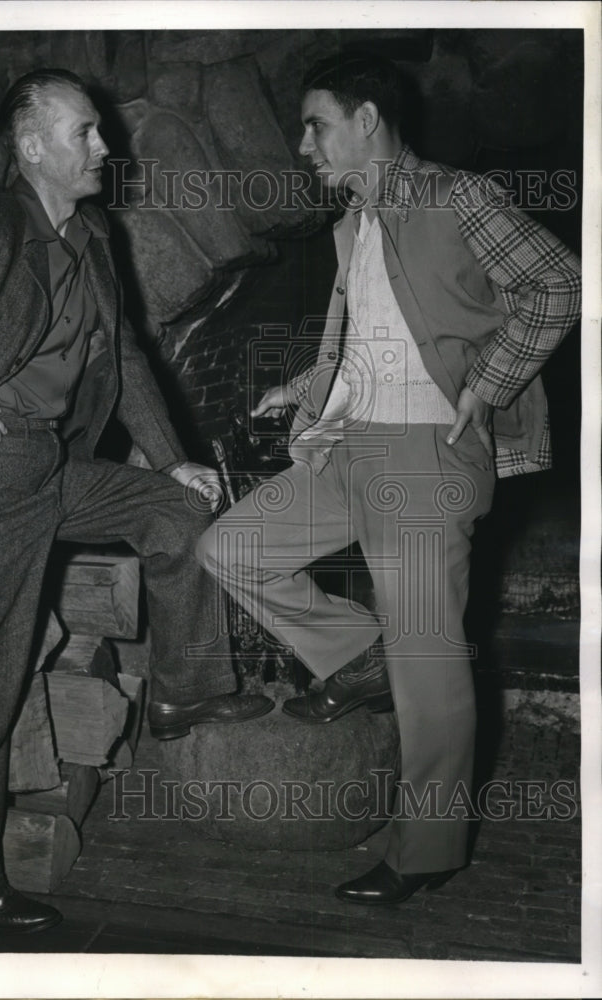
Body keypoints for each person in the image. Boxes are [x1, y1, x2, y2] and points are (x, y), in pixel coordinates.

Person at [0, 68, 273, 933]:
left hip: (48, 464)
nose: (104, 147)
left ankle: (182, 690)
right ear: (32, 144)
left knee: (177, 513)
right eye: (84, 133)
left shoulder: (90, 234)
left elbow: (121, 351)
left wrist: (174, 460)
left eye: (101, 131)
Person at [197, 51, 581, 904]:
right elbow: (377, 335)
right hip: (350, 444)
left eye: (316, 124)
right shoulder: (355, 220)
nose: (304, 145)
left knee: (430, 663)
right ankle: (360, 655)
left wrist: (489, 385)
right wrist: (305, 386)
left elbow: (559, 282)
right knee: (231, 548)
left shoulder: (458, 197)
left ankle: (428, 850)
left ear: (367, 120)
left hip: (424, 458)